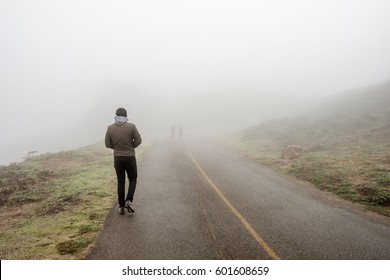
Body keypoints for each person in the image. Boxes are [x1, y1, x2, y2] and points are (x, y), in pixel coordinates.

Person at [105, 107, 142, 215]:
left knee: (120, 182)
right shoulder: (131, 126)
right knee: (133, 179)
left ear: (116, 115)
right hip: (130, 157)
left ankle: (121, 207)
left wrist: (116, 147)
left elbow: (107, 144)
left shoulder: (110, 128)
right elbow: (139, 140)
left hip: (118, 158)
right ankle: (129, 200)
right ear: (126, 116)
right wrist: (131, 146)